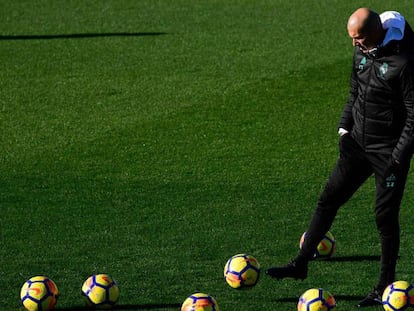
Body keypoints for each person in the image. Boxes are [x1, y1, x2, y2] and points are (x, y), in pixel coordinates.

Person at [266, 8, 414, 308]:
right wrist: (344, 128)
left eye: (358, 37)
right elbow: (354, 90)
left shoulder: (404, 63)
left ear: (375, 32)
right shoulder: (361, 53)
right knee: (328, 198)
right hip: (357, 144)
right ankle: (300, 263)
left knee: (384, 218)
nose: (353, 43)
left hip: (388, 154)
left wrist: (398, 156)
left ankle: (384, 286)